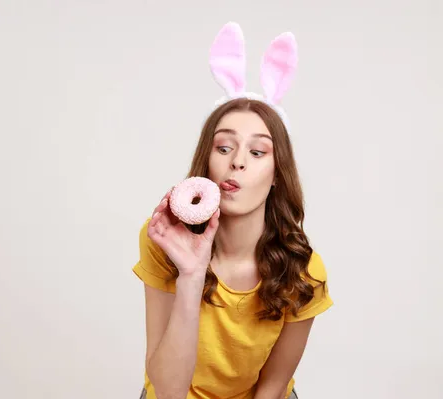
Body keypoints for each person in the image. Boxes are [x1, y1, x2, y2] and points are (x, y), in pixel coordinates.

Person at [132, 22, 333, 399]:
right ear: (206, 162)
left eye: (257, 152)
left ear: (277, 174)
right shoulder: (162, 239)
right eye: (223, 148)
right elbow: (169, 389)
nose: (237, 162)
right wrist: (191, 273)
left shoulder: (304, 270)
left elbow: (273, 385)